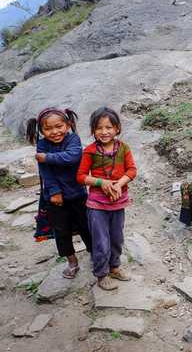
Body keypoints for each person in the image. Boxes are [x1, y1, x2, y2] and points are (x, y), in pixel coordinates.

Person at [26, 108, 92, 279]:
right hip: (54, 198)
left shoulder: (73, 139)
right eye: (48, 129)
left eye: (59, 126)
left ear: (68, 124)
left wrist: (47, 157)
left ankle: (95, 254)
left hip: (78, 193)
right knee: (61, 231)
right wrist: (54, 192)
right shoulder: (42, 145)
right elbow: (46, 173)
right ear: (41, 130)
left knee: (86, 226)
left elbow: (72, 157)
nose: (55, 132)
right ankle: (72, 261)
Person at [76, 107, 137, 291]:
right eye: (99, 128)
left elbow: (132, 170)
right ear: (93, 130)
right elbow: (80, 176)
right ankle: (101, 274)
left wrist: (119, 184)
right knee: (101, 240)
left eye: (109, 127)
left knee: (117, 237)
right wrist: (102, 183)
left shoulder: (124, 148)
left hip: (118, 202)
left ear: (117, 128)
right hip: (97, 204)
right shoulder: (90, 151)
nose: (104, 132)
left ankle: (115, 266)